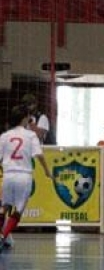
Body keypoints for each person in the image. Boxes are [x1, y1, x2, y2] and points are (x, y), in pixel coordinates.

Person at [0, 105, 52, 251]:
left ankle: (1, 236)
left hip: (9, 175)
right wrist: (47, 171)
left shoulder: (4, 136)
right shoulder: (30, 136)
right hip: (24, 175)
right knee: (18, 210)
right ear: (24, 119)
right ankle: (3, 236)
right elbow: (39, 154)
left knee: (4, 207)